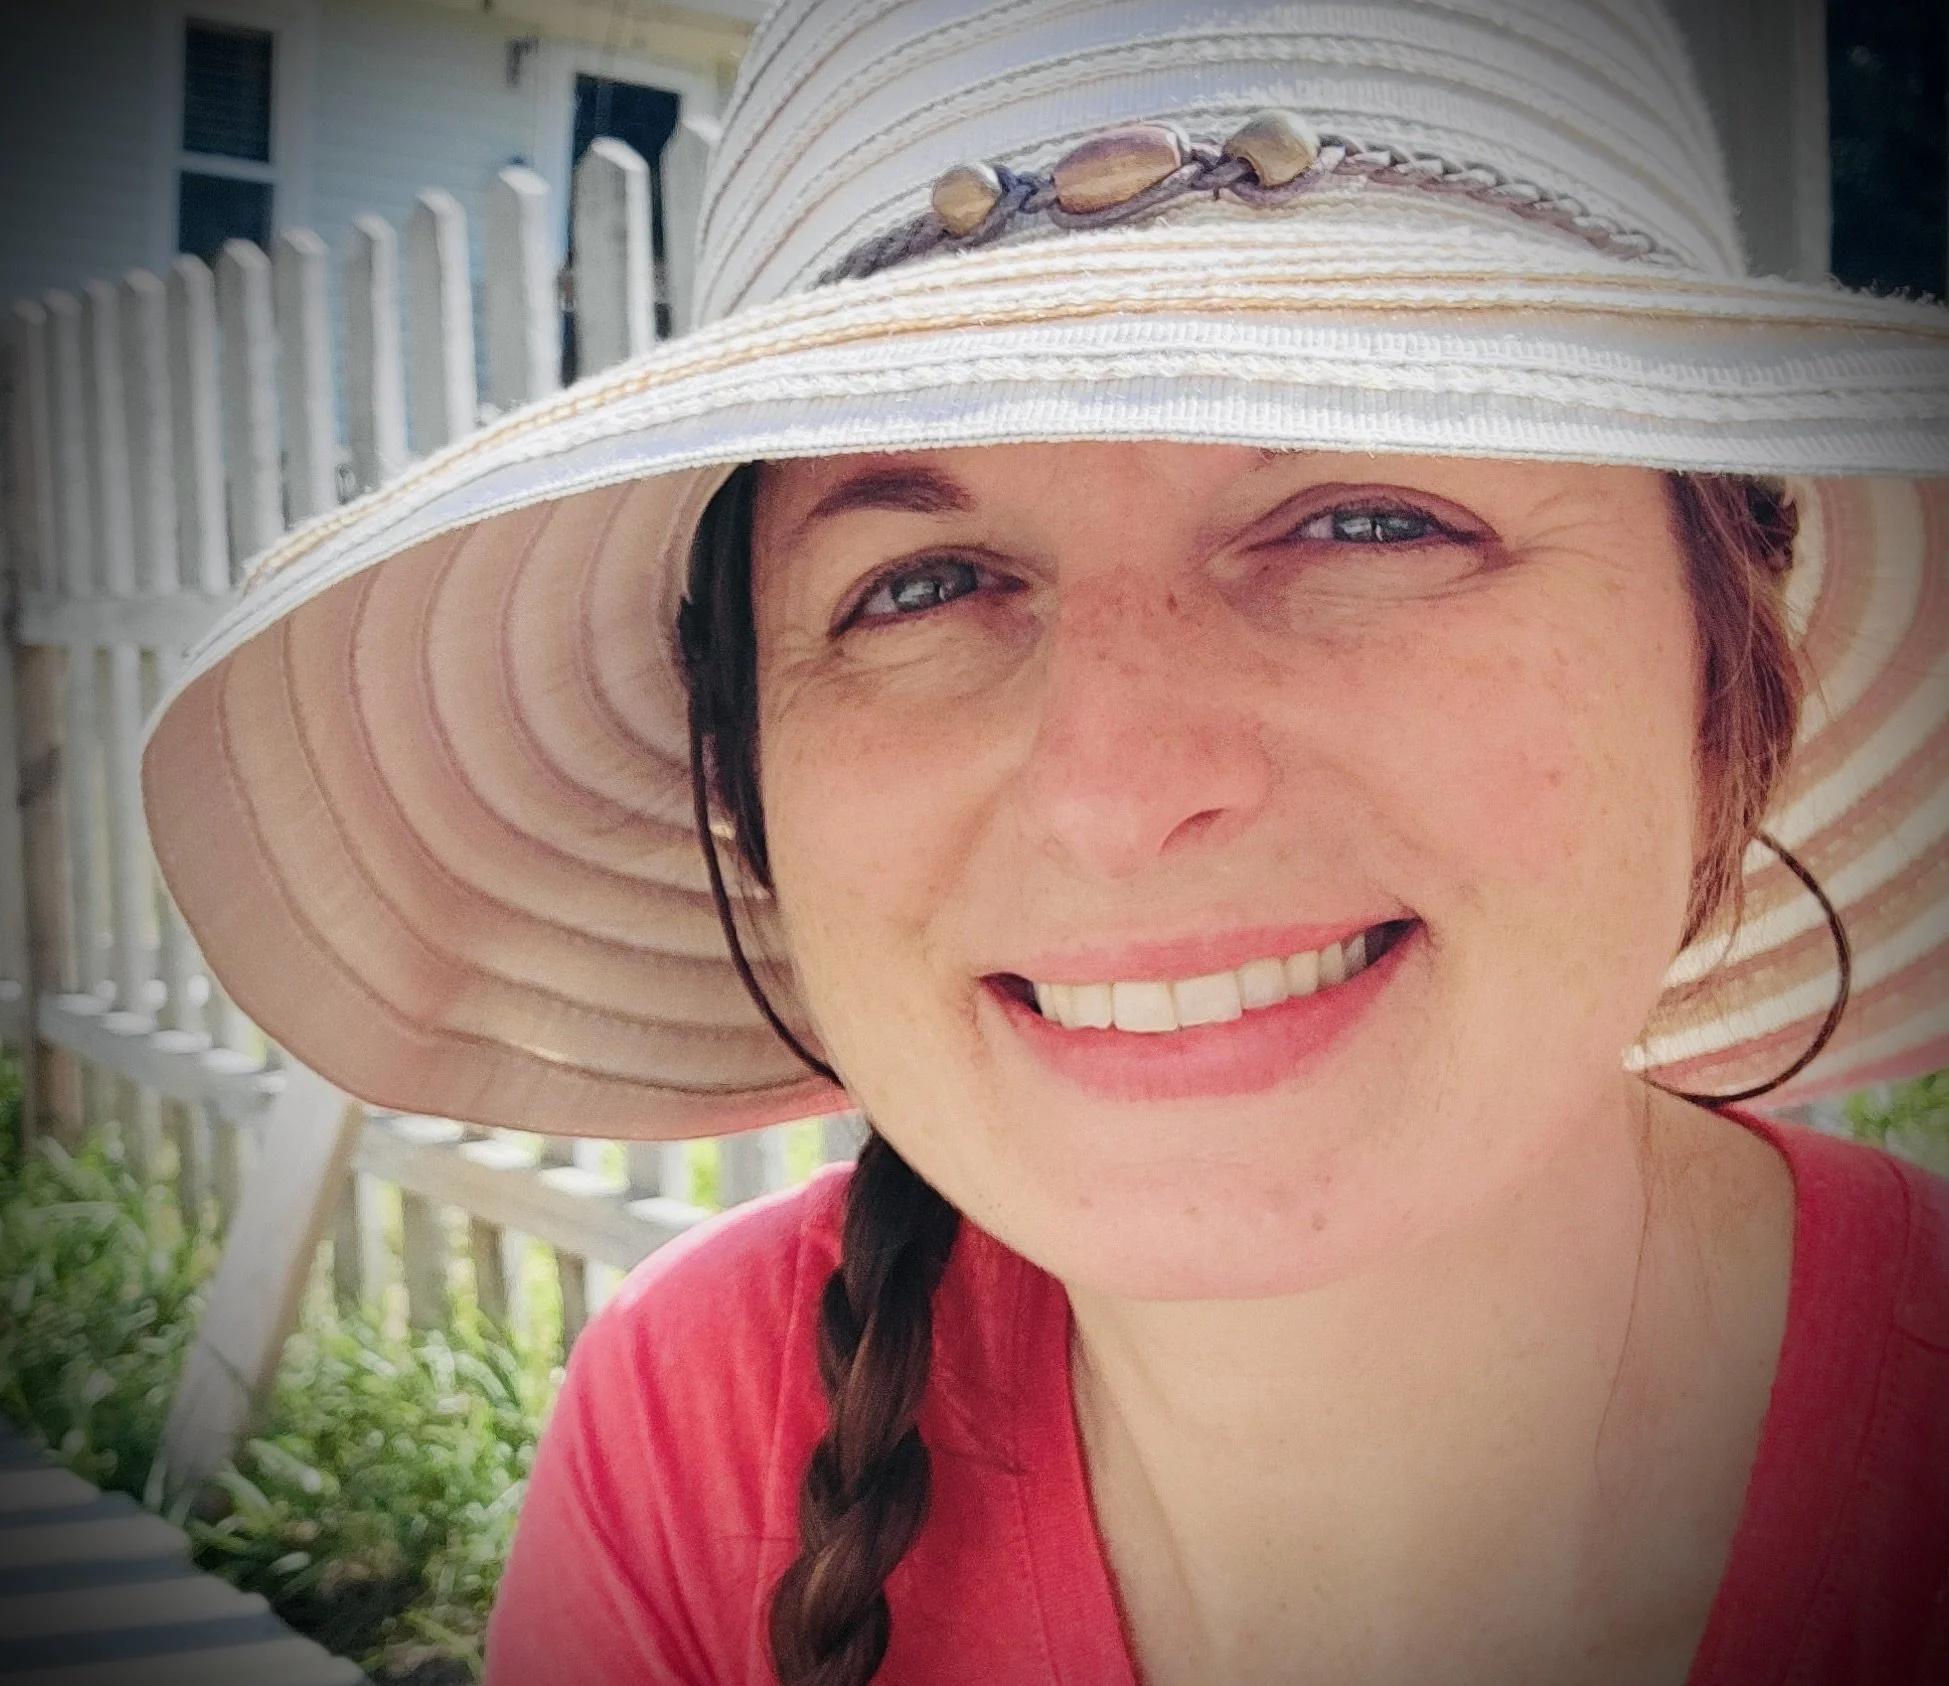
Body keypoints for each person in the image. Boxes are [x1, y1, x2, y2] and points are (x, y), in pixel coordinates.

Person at [140, 1, 1949, 1682]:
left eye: (1368, 515)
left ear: (1730, 654)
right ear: (746, 773)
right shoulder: (698, 1437)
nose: (1119, 786)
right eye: (923, 582)